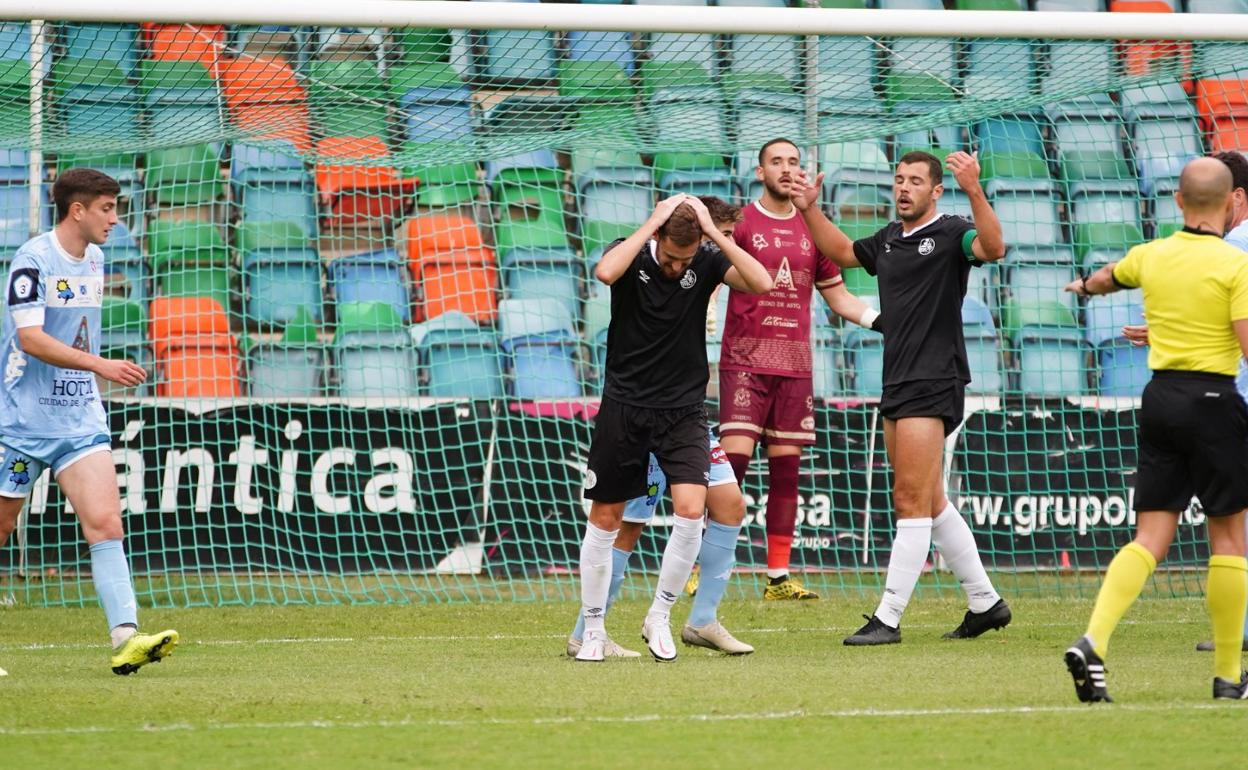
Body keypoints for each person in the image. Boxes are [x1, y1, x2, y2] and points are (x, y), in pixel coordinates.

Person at [788, 149, 1011, 645]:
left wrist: (975, 188)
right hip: (899, 379)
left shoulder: (953, 232)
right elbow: (844, 253)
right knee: (930, 501)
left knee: (908, 500)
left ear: (936, 191)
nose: (904, 188)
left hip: (934, 379)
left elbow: (994, 248)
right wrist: (808, 208)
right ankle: (985, 603)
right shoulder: (889, 238)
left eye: (915, 181)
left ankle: (887, 618)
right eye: (899, 179)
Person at [1062, 156, 1248, 702]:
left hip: (1160, 398)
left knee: (1149, 536)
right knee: (1231, 538)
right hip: (1215, 401)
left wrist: (1082, 288)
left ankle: (1094, 641)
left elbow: (1105, 278)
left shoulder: (1153, 254)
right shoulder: (1235, 265)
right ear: (1230, 203)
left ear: (1178, 202)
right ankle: (1227, 675)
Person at [575, 195, 772, 662]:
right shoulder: (631, 251)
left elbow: (761, 282)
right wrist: (653, 223)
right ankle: (591, 630)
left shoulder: (705, 261)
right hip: (625, 408)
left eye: (684, 258)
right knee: (610, 522)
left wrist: (711, 231)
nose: (675, 265)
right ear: (658, 236)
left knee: (695, 509)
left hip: (684, 412)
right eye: (670, 255)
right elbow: (604, 273)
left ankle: (663, 616)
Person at [0, 168, 178, 674]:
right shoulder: (33, 259)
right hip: (21, 423)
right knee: (2, 526)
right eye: (106, 208)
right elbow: (30, 338)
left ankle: (126, 638)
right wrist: (101, 366)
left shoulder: (95, 259)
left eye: (116, 207)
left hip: (79, 418)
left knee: (106, 524)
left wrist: (92, 377)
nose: (115, 218)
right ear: (76, 210)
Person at [717, 139, 882, 601]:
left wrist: (883, 322)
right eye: (777, 162)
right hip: (745, 360)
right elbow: (713, 275)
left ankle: (778, 577)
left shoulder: (815, 229)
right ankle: (701, 566)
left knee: (786, 472)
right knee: (732, 468)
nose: (787, 169)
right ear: (760, 171)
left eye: (794, 162)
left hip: (794, 366)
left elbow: (839, 296)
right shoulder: (743, 223)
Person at [1122, 151, 1248, 655]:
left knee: (1231, 524)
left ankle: (1236, 632)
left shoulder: (1232, 245)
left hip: (1227, 396)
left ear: (1235, 198)